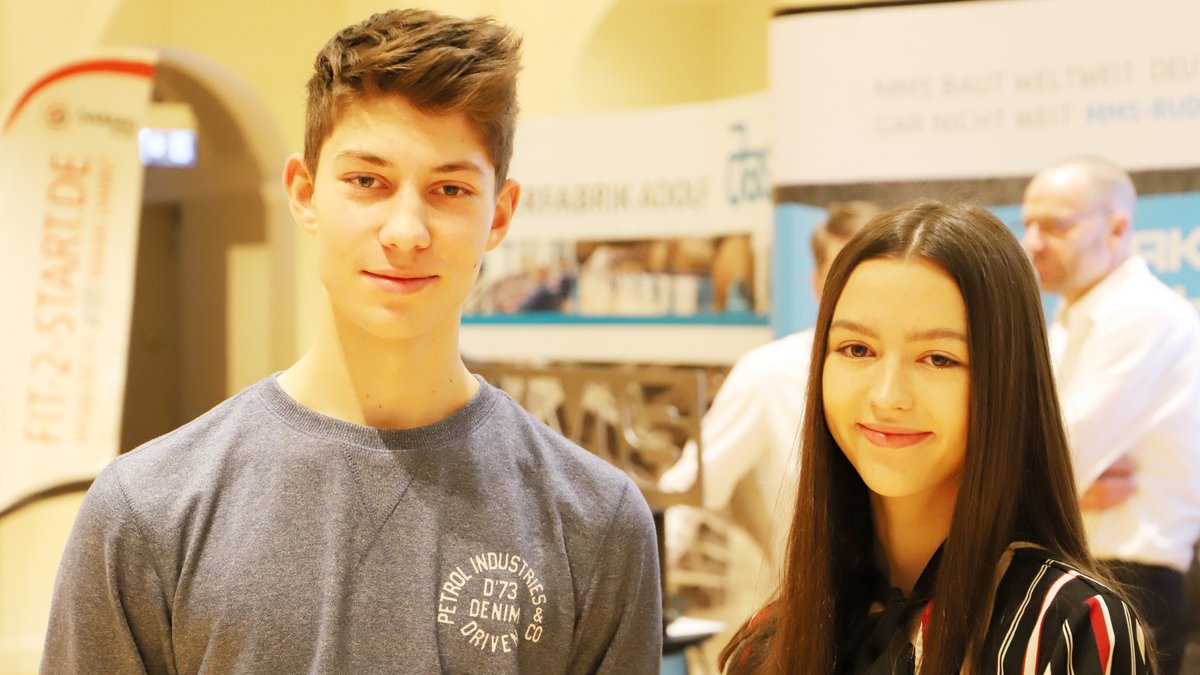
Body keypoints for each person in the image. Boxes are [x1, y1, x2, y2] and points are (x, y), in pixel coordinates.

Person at [41, 9, 661, 674]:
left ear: (499, 216)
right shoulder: (146, 509)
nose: (406, 230)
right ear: (304, 193)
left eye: (449, 188)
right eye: (369, 181)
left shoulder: (598, 522)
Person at [720, 202, 1151, 674]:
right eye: (856, 349)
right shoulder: (769, 643)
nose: (887, 397)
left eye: (939, 359)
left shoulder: (1068, 627)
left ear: (1007, 382)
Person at [1022, 155, 1200, 675]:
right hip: (1079, 563)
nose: (1033, 241)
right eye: (1028, 223)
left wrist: (1058, 478)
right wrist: (1065, 485)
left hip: (1129, 581)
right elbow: (1041, 452)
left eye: (1056, 225)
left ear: (1118, 227)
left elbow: (1059, 450)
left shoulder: (1142, 314)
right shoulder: (1071, 319)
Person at [661, 201, 879, 573]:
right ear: (816, 283)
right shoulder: (771, 373)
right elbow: (687, 491)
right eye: (841, 273)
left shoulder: (917, 380)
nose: (860, 291)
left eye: (873, 276)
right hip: (815, 613)